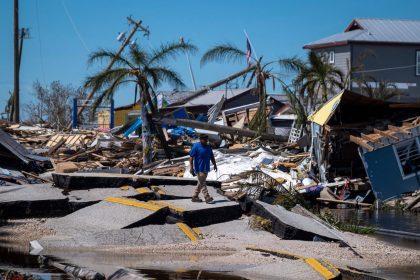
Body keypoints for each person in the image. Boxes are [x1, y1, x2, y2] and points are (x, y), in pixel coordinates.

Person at [189, 134, 217, 203]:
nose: (205, 141)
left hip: (206, 168)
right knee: (203, 183)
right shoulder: (196, 146)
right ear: (200, 139)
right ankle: (207, 197)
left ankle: (195, 197)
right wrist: (191, 168)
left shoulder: (208, 147)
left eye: (206, 140)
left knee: (200, 183)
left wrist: (215, 165)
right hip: (199, 168)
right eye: (204, 140)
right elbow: (191, 158)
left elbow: (212, 157)